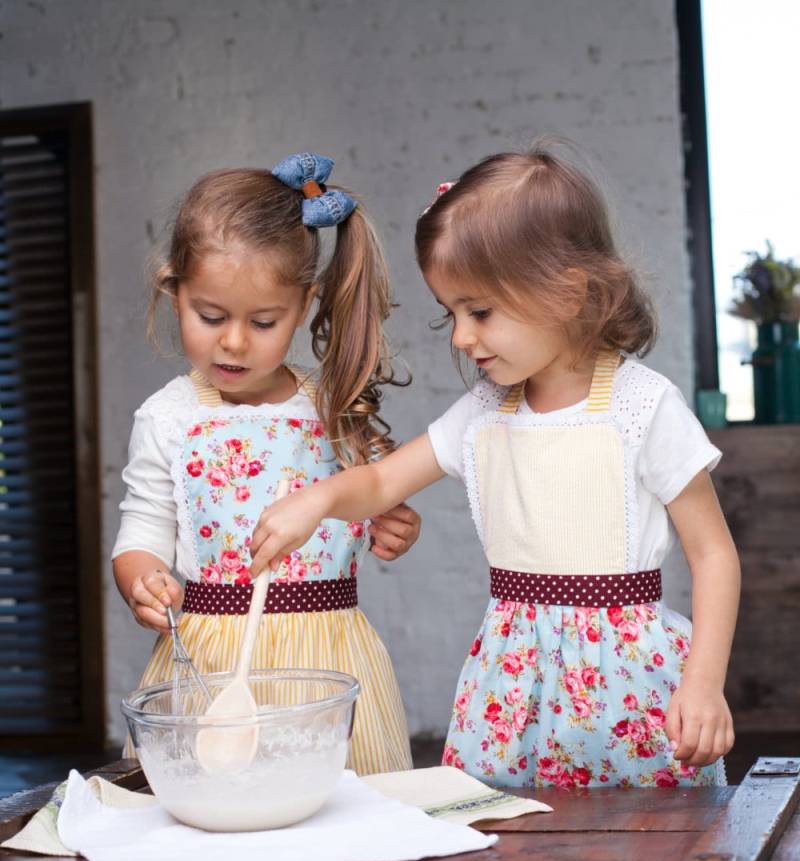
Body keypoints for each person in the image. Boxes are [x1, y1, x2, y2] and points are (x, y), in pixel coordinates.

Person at [250, 145, 741, 789]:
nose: (460, 336)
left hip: (633, 695)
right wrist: (314, 502)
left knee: (643, 847)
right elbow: (379, 481)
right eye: (450, 312)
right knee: (507, 850)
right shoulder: (482, 414)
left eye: (478, 311)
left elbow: (713, 555)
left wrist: (703, 685)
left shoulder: (644, 408)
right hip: (510, 693)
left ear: (566, 293)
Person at [112, 153, 418, 775]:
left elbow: (377, 495)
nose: (233, 341)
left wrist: (393, 524)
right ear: (175, 293)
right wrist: (140, 578)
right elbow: (142, 528)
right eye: (211, 316)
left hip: (331, 664)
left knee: (347, 837)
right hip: (213, 669)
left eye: (263, 321)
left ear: (302, 307)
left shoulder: (335, 405)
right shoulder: (167, 418)